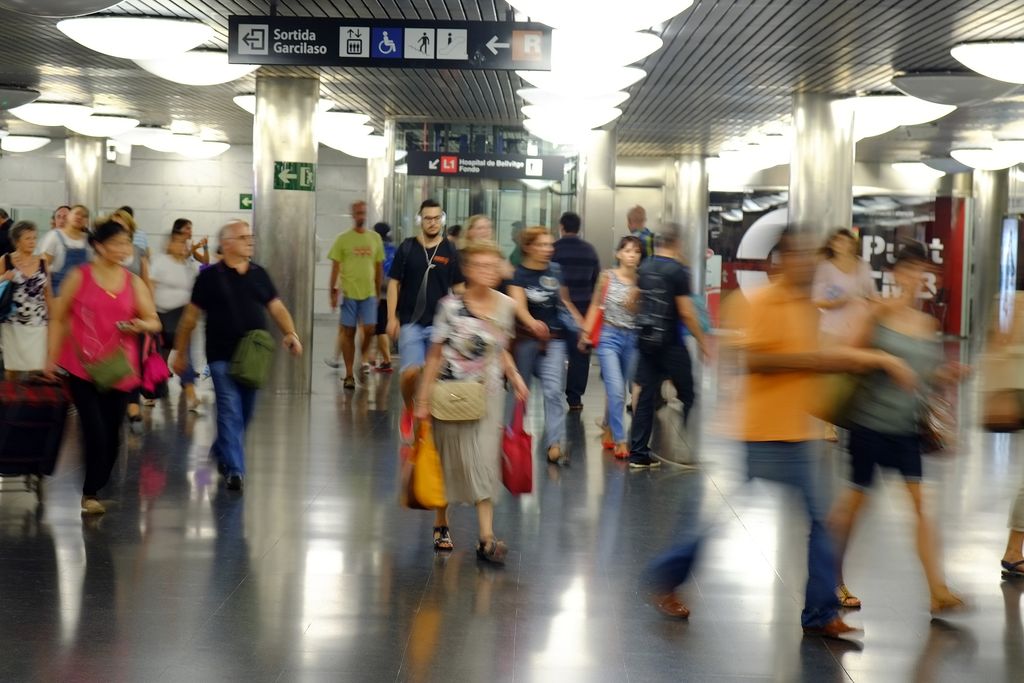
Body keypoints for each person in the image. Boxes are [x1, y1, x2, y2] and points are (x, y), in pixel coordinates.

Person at [642, 228, 914, 635]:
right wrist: (814, 361)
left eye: (809, 257)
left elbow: (823, 356)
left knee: (821, 521)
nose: (806, 264)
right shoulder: (755, 303)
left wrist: (876, 358)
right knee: (716, 521)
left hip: (796, 434)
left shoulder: (808, 309)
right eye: (798, 256)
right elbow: (754, 359)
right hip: (754, 433)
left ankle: (820, 614)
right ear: (781, 260)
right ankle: (665, 577)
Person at [828, 243, 966, 614]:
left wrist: (946, 373)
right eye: (911, 269)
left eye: (924, 271)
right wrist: (886, 361)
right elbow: (848, 356)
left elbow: (925, 374)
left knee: (921, 507)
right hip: (870, 424)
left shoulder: (928, 324)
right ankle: (831, 580)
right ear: (895, 273)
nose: (918, 277)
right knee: (852, 507)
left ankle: (937, 590)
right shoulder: (876, 311)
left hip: (906, 428)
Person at [414, 240, 529, 563]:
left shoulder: (506, 305)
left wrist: (515, 375)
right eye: (479, 266)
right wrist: (422, 399)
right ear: (466, 269)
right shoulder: (449, 306)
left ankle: (486, 537)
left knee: (484, 462)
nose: (486, 272)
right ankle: (441, 522)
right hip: (450, 394)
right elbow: (435, 354)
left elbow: (501, 347)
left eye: (492, 266)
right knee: (448, 461)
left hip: (489, 394)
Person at [172, 220, 303, 492]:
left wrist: (291, 333)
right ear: (227, 244)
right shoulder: (208, 278)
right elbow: (189, 318)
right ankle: (236, 470)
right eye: (243, 237)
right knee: (230, 409)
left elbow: (277, 308)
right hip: (220, 355)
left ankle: (222, 449)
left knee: (245, 413)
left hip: (253, 357)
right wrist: (180, 351)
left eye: (250, 236)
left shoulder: (259, 274)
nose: (250, 241)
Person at [45, 218, 161, 515]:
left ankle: (97, 482)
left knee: (111, 435)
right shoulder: (78, 277)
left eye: (126, 243)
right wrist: (50, 358)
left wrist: (140, 324)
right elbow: (59, 317)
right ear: (99, 246)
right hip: (82, 367)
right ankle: (90, 493)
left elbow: (153, 319)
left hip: (118, 369)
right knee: (94, 430)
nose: (124, 249)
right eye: (118, 243)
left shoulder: (133, 282)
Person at [628, 227, 707, 469]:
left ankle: (639, 454)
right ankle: (686, 450)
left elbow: (632, 302)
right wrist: (704, 342)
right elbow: (686, 312)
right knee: (688, 394)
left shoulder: (645, 267)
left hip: (647, 342)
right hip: (672, 344)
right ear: (677, 243)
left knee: (645, 397)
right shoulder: (677, 271)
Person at [388, 199, 464, 442]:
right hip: (411, 321)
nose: (432, 223)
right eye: (427, 218)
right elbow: (394, 283)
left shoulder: (450, 250)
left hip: (440, 325)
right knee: (410, 372)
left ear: (442, 219)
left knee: (432, 374)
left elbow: (459, 287)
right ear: (420, 220)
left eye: (436, 218)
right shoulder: (408, 247)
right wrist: (392, 317)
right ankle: (410, 407)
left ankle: (426, 416)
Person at [508, 226, 583, 465]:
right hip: (526, 341)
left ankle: (554, 443)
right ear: (528, 247)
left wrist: (581, 324)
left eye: (550, 245)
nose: (547, 249)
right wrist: (532, 323)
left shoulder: (556, 270)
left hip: (554, 340)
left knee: (553, 391)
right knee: (521, 393)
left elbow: (564, 301)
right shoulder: (519, 274)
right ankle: (513, 438)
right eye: (541, 245)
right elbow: (518, 306)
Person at [579, 235, 642, 459]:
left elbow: (641, 314)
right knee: (615, 390)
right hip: (609, 336)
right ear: (618, 254)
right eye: (627, 250)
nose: (631, 255)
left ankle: (608, 426)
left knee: (624, 391)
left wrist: (637, 299)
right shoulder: (607, 276)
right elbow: (596, 304)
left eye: (636, 251)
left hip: (633, 339)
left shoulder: (642, 281)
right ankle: (620, 439)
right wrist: (585, 333)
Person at [325, 200, 384, 389]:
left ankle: (363, 357)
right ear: (353, 215)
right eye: (358, 213)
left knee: (370, 329)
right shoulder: (343, 239)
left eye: (363, 213)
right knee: (348, 333)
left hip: (369, 294)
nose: (361, 216)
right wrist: (332, 293)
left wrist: (377, 291)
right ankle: (349, 373)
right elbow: (335, 268)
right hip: (348, 293)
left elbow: (378, 266)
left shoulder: (375, 238)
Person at [150, 228, 202, 413]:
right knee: (159, 356)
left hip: (183, 317)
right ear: (169, 244)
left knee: (185, 354)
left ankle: (190, 392)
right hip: (162, 314)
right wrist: (150, 311)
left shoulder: (190, 265)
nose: (183, 246)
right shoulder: (160, 262)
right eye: (179, 242)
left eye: (185, 243)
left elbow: (198, 285)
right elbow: (151, 286)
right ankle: (153, 391)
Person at [552, 211, 599, 411]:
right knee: (580, 355)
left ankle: (553, 393)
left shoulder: (553, 250)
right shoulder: (589, 251)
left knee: (555, 351)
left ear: (562, 227)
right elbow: (596, 279)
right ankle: (575, 398)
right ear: (578, 228)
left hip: (558, 309)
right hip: (584, 310)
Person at [111, 209, 151, 428]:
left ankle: (132, 401)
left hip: (133, 313)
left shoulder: (138, 252)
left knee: (133, 357)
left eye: (122, 225)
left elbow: (146, 281)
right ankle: (115, 398)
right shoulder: (103, 253)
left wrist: (150, 314)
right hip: (107, 314)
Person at [0, 221, 52, 378]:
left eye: (34, 238)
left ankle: (30, 400)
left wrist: (52, 316)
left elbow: (48, 291)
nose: (32, 242)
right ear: (17, 241)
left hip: (38, 321)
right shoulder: (6, 259)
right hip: (12, 321)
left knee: (36, 365)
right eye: (28, 238)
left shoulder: (42, 262)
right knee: (12, 365)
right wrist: (4, 277)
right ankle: (11, 399)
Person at [813, 229, 876, 344]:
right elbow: (817, 300)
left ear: (851, 244)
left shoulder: (863, 265)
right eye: (836, 241)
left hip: (856, 330)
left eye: (842, 241)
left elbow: (873, 295)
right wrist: (836, 303)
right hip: (831, 329)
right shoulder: (825, 267)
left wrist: (863, 302)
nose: (838, 244)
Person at [39, 203, 91, 295]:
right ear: (69, 216)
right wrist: (48, 295)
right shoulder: (54, 236)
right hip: (58, 290)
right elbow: (43, 266)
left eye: (83, 216)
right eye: (77, 214)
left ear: (86, 221)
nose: (79, 217)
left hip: (82, 291)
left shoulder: (88, 240)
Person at [371, 222, 397, 372]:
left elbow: (377, 271)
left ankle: (386, 360)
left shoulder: (376, 248)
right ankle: (375, 357)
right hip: (393, 290)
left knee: (379, 328)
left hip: (380, 291)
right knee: (380, 326)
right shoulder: (394, 248)